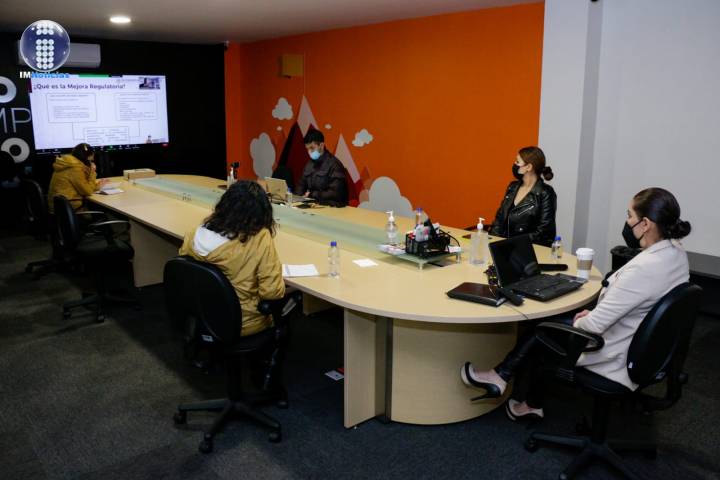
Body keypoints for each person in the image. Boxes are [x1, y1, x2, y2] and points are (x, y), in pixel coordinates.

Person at [462, 188, 691, 420]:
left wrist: (584, 319)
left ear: (646, 224)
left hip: (615, 353)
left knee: (541, 328)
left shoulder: (644, 269)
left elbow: (595, 326)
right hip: (647, 348)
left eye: (630, 215)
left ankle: (508, 384)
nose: (627, 222)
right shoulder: (676, 254)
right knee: (558, 323)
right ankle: (509, 383)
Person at [179, 180, 285, 336]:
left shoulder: (194, 234)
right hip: (243, 322)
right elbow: (272, 292)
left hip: (203, 315)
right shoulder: (259, 238)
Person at [489, 146, 557, 247]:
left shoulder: (545, 193)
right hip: (505, 247)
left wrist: (511, 243)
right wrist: (492, 242)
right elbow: (499, 220)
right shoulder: (513, 187)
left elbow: (544, 233)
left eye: (517, 162)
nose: (514, 164)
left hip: (529, 250)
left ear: (528, 167)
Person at [47, 143, 108, 214]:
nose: (92, 162)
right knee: (102, 212)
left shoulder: (68, 163)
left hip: (58, 206)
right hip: (69, 209)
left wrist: (97, 186)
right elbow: (87, 191)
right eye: (91, 160)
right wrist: (92, 172)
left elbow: (83, 186)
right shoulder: (75, 168)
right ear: (86, 158)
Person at [294, 129, 348, 207]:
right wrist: (296, 198)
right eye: (307, 149)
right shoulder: (309, 164)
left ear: (321, 145)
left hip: (332, 207)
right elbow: (301, 185)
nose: (309, 152)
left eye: (312, 148)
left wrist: (313, 194)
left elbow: (336, 193)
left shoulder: (334, 164)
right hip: (314, 205)